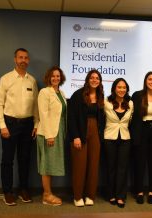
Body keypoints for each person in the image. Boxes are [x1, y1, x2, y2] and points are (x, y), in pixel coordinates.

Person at [0, 48, 39, 206]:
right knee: (7, 160)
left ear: (28, 61)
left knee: (25, 159)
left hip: (27, 125)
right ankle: (7, 192)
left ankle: (23, 189)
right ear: (15, 59)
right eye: (20, 57)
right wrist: (2, 126)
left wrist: (36, 124)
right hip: (10, 124)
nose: (23, 60)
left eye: (26, 58)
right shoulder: (5, 79)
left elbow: (35, 106)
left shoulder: (31, 81)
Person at [68, 69, 105, 207]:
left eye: (97, 78)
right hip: (80, 132)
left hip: (95, 132)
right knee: (80, 165)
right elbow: (71, 118)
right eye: (92, 77)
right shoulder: (78, 95)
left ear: (100, 81)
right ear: (87, 79)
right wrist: (75, 136)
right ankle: (78, 197)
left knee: (93, 165)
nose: (94, 80)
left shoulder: (101, 96)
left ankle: (90, 196)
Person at [130, 71, 152, 204]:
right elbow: (132, 117)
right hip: (141, 131)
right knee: (139, 163)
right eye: (150, 79)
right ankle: (139, 191)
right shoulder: (137, 95)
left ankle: (151, 191)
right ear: (145, 81)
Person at [36, 66, 67, 206]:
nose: (56, 78)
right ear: (49, 77)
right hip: (49, 133)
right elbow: (43, 114)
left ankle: (49, 192)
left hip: (58, 131)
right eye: (53, 76)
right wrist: (49, 135)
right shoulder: (44, 92)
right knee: (47, 163)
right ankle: (47, 195)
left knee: (52, 163)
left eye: (58, 76)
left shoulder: (61, 93)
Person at [104, 78, 133, 208]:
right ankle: (111, 194)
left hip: (125, 138)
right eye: (119, 87)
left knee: (122, 168)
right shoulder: (106, 102)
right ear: (114, 88)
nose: (121, 90)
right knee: (110, 168)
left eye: (124, 87)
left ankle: (121, 196)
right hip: (109, 137)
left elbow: (130, 121)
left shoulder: (131, 103)